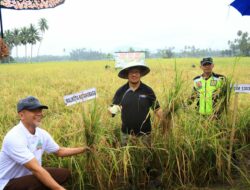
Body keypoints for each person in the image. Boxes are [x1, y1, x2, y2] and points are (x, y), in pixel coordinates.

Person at [0, 96, 90, 190]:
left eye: (40, 110)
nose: (39, 114)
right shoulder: (14, 137)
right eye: (34, 111)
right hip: (8, 182)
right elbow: (36, 169)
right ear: (21, 115)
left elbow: (59, 151)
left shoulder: (41, 134)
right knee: (42, 180)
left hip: (29, 175)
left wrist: (84, 149)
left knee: (63, 174)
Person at [108, 62, 163, 146]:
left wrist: (166, 119)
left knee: (145, 157)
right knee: (126, 158)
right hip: (126, 135)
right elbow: (111, 112)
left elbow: (157, 109)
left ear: (140, 74)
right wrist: (112, 110)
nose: (134, 75)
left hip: (145, 134)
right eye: (131, 72)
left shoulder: (148, 91)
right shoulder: (121, 91)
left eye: (136, 72)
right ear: (127, 75)